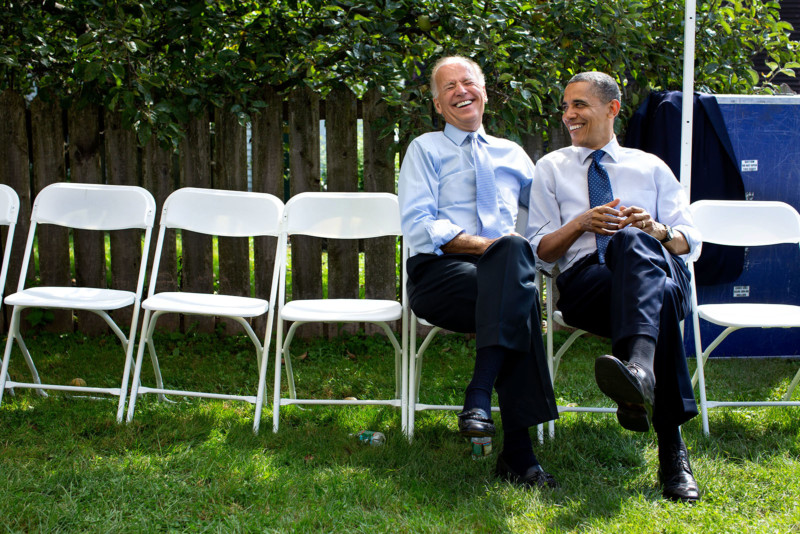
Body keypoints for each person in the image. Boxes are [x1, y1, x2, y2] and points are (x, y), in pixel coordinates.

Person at [527, 71, 702, 503]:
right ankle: (671, 448)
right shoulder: (551, 168)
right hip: (590, 284)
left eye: (579, 105)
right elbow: (539, 251)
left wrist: (655, 230)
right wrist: (581, 223)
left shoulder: (651, 166)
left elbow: (689, 241)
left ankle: (639, 376)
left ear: (612, 108)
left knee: (634, 243)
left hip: (660, 266)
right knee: (654, 296)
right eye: (565, 106)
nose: (569, 114)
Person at [399, 56, 559, 488]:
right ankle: (518, 453)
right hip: (441, 275)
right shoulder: (425, 150)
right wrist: (498, 249)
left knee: (514, 283)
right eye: (448, 87)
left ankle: (480, 402)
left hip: (502, 277)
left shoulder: (514, 155)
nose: (460, 91)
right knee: (516, 281)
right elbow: (418, 225)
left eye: (467, 82)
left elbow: (547, 214)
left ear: (484, 92)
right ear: (437, 104)